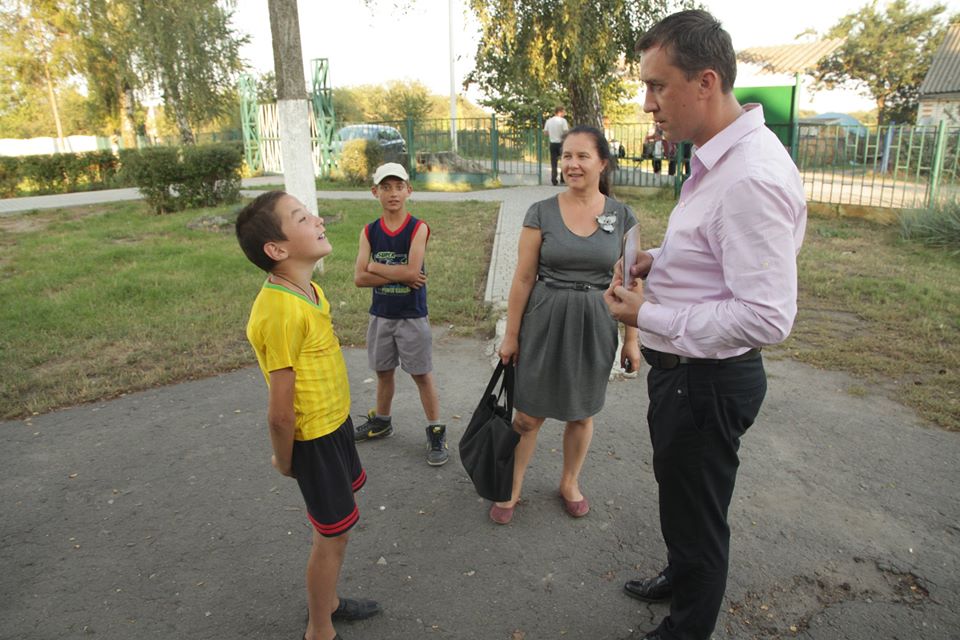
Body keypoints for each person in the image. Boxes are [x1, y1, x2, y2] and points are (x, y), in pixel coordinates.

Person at [603, 10, 807, 640]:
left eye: (657, 86)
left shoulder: (750, 176)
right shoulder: (721, 157)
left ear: (706, 82)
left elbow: (766, 315)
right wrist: (656, 259)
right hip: (685, 374)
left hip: (706, 380)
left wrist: (646, 315)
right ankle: (681, 571)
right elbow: (716, 256)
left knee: (699, 512)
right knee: (682, 495)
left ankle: (687, 628)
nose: (648, 104)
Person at [236, 191, 382, 640]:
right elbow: (280, 414)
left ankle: (329, 603)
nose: (317, 220)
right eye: (301, 218)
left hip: (334, 424)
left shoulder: (308, 290)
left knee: (339, 527)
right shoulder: (280, 312)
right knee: (331, 536)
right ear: (277, 249)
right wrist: (285, 460)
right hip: (313, 439)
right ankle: (320, 629)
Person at [493, 126, 640, 525]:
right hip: (544, 318)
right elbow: (523, 278)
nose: (572, 164)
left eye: (582, 156)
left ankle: (570, 482)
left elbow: (631, 284)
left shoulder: (622, 215)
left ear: (602, 163)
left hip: (595, 321)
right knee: (527, 415)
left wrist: (632, 340)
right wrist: (511, 336)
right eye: (567, 156)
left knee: (581, 412)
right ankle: (512, 486)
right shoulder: (540, 212)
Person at [353, 162, 448, 466]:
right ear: (375, 192)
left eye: (398, 187)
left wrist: (375, 266)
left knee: (421, 374)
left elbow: (412, 272)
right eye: (385, 187)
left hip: (412, 315)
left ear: (409, 190)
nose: (392, 193)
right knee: (383, 373)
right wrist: (399, 274)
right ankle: (382, 421)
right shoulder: (369, 231)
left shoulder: (417, 228)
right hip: (381, 315)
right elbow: (359, 278)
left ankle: (436, 430)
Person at [544, 106, 571, 186]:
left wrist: (552, 134)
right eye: (563, 112)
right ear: (560, 112)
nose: (564, 113)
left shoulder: (549, 121)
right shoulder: (563, 121)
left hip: (552, 143)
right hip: (561, 143)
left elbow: (545, 133)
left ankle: (554, 179)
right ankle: (563, 179)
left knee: (553, 162)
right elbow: (566, 131)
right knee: (564, 161)